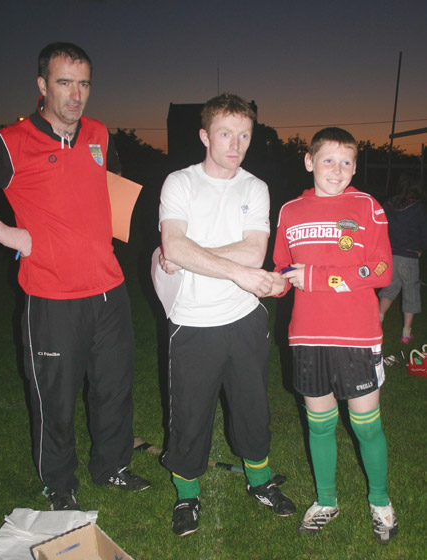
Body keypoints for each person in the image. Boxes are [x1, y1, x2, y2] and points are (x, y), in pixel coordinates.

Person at [0, 42, 150, 511]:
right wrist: (6, 233)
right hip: (51, 296)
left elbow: (110, 186)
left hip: (110, 290)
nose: (76, 96)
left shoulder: (100, 133)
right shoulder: (8, 142)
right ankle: (59, 484)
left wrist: (106, 236)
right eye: (64, 83)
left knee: (114, 387)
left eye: (84, 83)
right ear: (42, 86)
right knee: (54, 398)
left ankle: (112, 466)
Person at [155, 93, 296, 537]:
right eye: (225, 133)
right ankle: (186, 494)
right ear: (205, 135)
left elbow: (255, 250)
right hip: (192, 320)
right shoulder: (179, 182)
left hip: (244, 319)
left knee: (253, 409)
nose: (235, 144)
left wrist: (189, 254)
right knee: (190, 416)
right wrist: (235, 270)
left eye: (244, 135)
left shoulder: (255, 187)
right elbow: (174, 246)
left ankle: (260, 482)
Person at [271, 127, 398, 543]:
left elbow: (381, 270)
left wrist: (320, 278)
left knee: (365, 426)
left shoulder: (367, 207)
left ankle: (380, 502)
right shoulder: (290, 211)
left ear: (356, 167)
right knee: (320, 425)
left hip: (357, 337)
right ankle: (327, 499)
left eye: (347, 162)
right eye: (328, 160)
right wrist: (270, 282)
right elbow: (282, 269)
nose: (337, 170)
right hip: (307, 337)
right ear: (309, 162)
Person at [378, 171, 427, 343]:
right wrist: (421, 249)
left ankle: (377, 323)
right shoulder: (419, 207)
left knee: (389, 290)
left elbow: (380, 226)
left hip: (390, 255)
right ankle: (406, 334)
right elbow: (424, 232)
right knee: (411, 293)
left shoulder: (389, 204)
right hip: (409, 257)